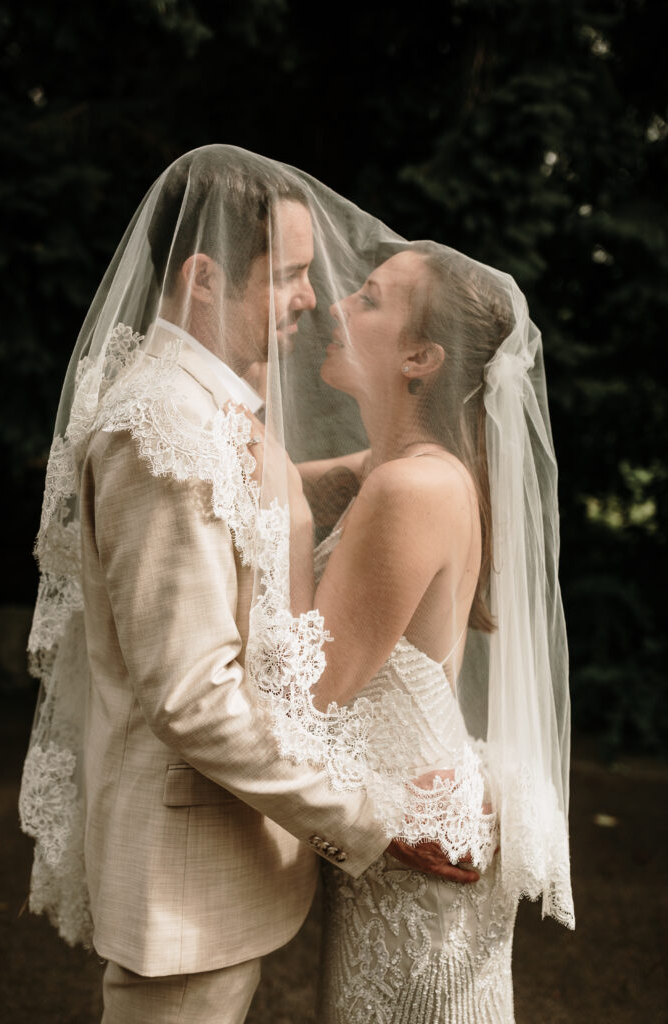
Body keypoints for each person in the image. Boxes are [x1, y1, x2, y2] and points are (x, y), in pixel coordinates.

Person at [18, 146, 481, 1024]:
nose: (311, 301)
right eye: (290, 277)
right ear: (202, 276)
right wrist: (370, 821)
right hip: (181, 880)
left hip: (213, 868)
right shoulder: (160, 428)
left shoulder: (196, 402)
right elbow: (194, 698)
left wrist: (334, 476)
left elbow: (217, 530)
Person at [239, 241, 575, 1021]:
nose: (334, 306)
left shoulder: (412, 486)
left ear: (420, 356)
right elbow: (267, 477)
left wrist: (287, 520)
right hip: (399, 837)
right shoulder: (394, 467)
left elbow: (306, 695)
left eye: (369, 299)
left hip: (414, 852)